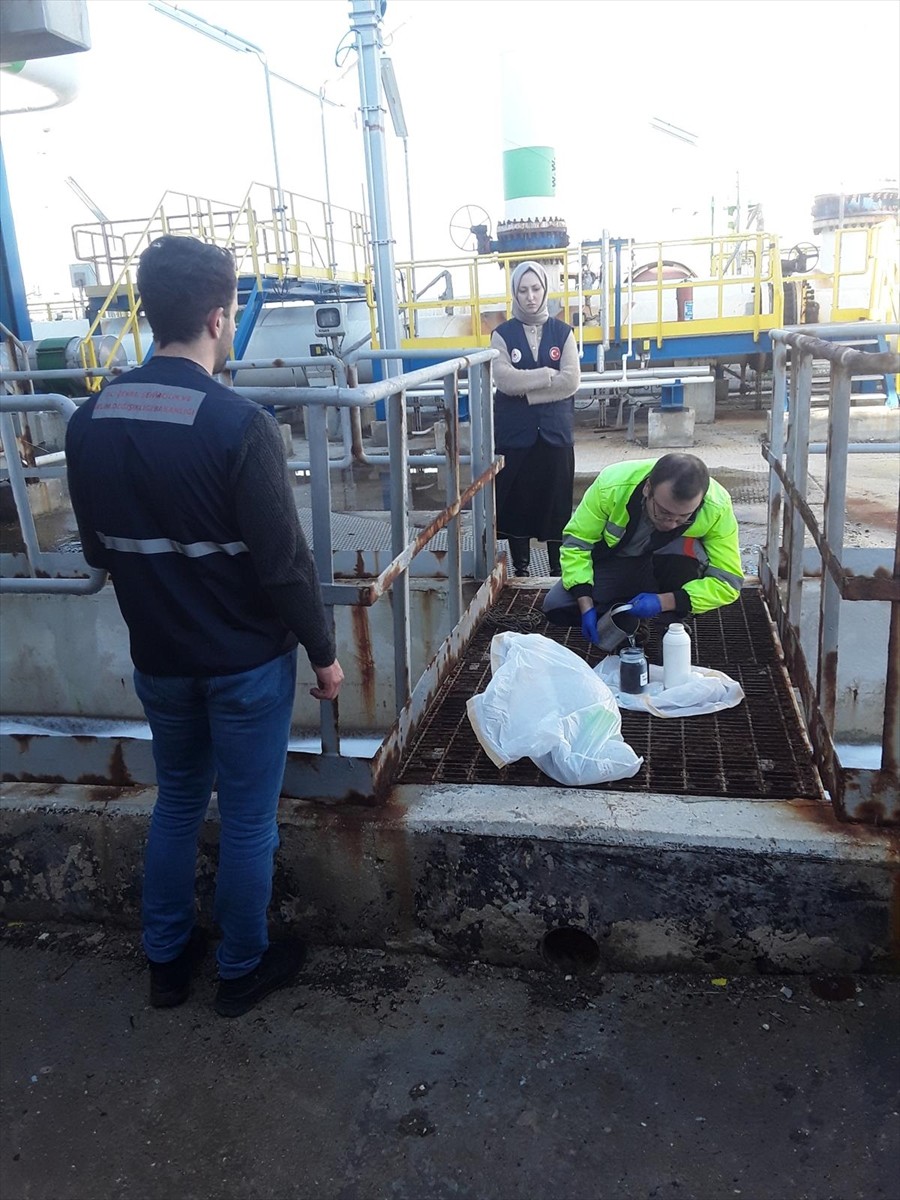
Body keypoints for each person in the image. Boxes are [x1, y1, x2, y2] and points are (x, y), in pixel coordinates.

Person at [66, 235, 344, 1018]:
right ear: (220, 319)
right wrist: (324, 655)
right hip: (245, 665)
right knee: (249, 818)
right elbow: (284, 566)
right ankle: (240, 970)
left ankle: (165, 962)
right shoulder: (240, 427)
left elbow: (96, 549)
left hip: (159, 659)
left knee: (179, 803)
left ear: (149, 312)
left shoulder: (88, 422)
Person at [542, 453, 743, 644]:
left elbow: (728, 582)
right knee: (558, 605)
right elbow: (577, 545)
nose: (671, 524)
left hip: (668, 569)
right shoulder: (611, 486)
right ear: (648, 488)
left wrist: (665, 601)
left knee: (686, 550)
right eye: (663, 512)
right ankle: (626, 618)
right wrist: (585, 606)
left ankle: (671, 626)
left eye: (683, 517)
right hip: (619, 564)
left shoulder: (717, 506)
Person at [491, 259, 581, 577]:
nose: (530, 296)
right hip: (515, 435)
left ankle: (558, 568)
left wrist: (525, 391)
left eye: (536, 289)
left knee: (556, 499)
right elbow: (503, 379)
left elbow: (571, 380)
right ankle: (522, 567)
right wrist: (545, 375)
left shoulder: (563, 332)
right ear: (515, 293)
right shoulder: (502, 334)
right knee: (517, 499)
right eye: (523, 290)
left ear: (545, 290)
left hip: (555, 433)